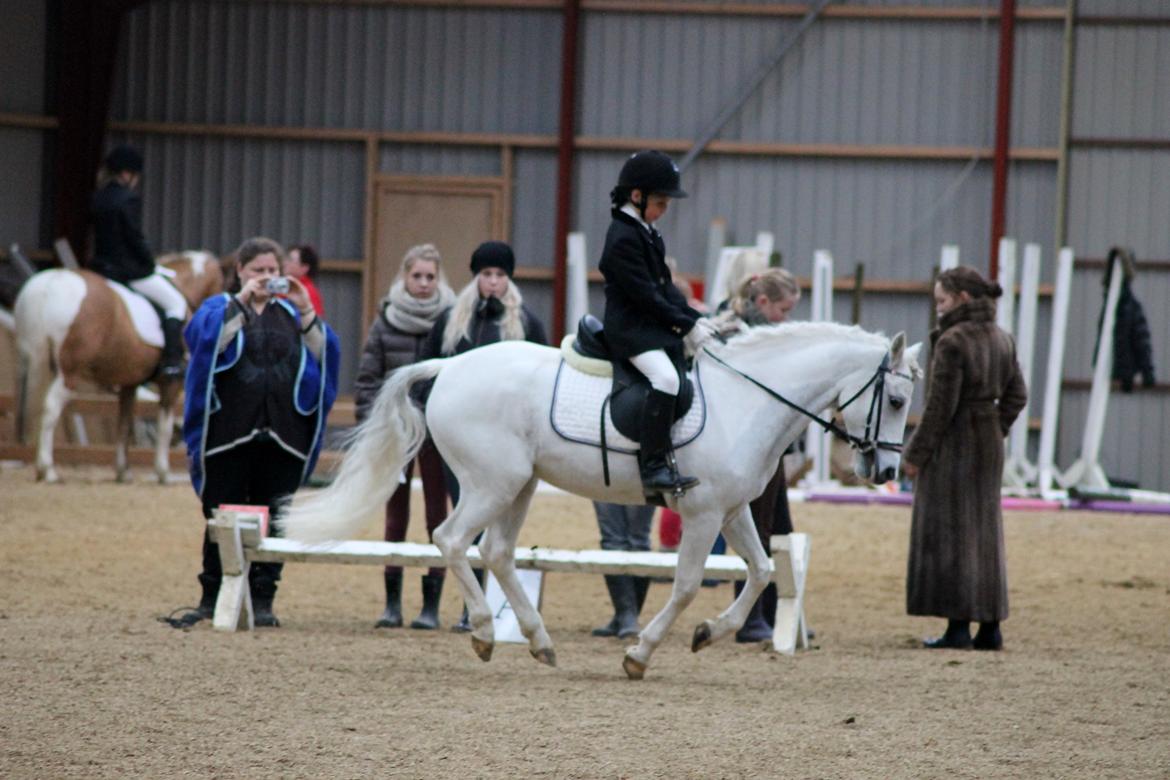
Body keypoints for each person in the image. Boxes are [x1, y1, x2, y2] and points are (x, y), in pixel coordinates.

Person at [175, 237, 340, 628]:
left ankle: (263, 597)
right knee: (221, 514)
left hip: (284, 434)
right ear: (240, 272)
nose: (266, 278)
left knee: (276, 515)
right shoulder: (219, 308)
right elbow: (203, 343)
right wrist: (240, 304)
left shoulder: (293, 312)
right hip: (230, 431)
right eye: (258, 271)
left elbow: (326, 352)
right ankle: (212, 595)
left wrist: (305, 312)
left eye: (272, 271)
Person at [421, 240, 547, 632]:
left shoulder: (527, 322)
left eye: (500, 275)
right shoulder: (449, 321)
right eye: (486, 275)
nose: (493, 282)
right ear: (476, 277)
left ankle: (474, 603)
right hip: (461, 436)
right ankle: (455, 598)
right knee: (461, 515)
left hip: (505, 442)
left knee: (486, 517)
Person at [901, 266, 1027, 651]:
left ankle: (957, 627)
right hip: (988, 442)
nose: (937, 308)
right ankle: (990, 627)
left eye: (941, 300)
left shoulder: (953, 342)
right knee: (985, 533)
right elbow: (1017, 396)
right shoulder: (1002, 338)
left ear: (963, 299)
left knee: (951, 534)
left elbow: (940, 409)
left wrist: (914, 455)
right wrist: (993, 427)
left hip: (954, 445)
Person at [598, 150, 716, 496]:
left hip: (648, 326)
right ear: (637, 196)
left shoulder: (648, 231)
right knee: (665, 379)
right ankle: (652, 467)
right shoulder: (622, 236)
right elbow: (646, 296)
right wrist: (685, 327)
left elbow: (666, 287)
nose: (664, 210)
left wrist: (696, 318)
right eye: (661, 202)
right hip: (630, 331)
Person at [354, 244, 454, 631]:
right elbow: (367, 381)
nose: (424, 283)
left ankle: (431, 604)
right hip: (395, 430)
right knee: (395, 517)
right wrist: (374, 427)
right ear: (404, 276)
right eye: (417, 276)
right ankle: (391, 603)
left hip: (437, 431)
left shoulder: (450, 321)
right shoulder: (384, 322)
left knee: (437, 515)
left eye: (430, 276)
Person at [718, 269, 803, 642]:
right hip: (744, 447)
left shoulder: (775, 337)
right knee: (756, 527)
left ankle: (779, 612)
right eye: (783, 309)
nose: (787, 317)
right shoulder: (732, 333)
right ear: (763, 302)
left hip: (772, 447)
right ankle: (750, 615)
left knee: (781, 528)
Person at [89, 144, 188, 378]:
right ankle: (172, 362)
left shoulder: (97, 197)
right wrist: (149, 263)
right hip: (128, 271)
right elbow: (133, 236)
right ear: (126, 174)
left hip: (100, 268)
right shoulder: (128, 198)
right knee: (176, 303)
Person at [589, 502, 655, 639]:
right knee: (613, 540)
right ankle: (624, 615)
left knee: (636, 540)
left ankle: (628, 617)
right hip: (601, 481)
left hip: (640, 482)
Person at [1095, 247, 1155, 393]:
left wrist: (1147, 371)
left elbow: (1141, 339)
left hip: (1122, 370)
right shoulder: (1116, 305)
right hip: (1113, 368)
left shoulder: (1128, 306)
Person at [285, 244, 326, 316]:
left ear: (304, 268)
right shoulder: (285, 284)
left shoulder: (308, 292)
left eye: (290, 260)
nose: (285, 263)